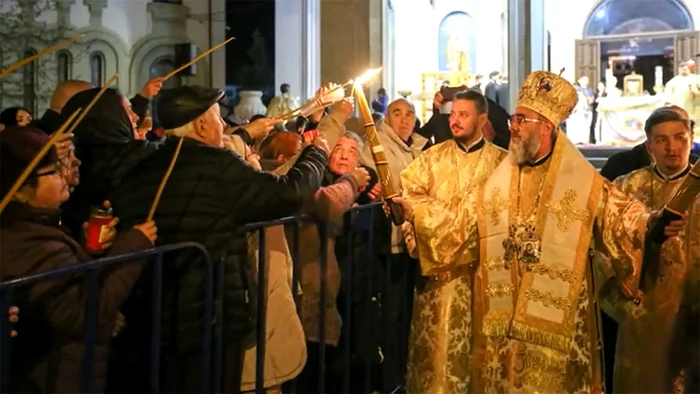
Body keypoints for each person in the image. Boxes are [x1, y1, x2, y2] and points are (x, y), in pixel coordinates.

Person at [391, 70, 686, 392]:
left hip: (555, 326)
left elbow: (619, 214)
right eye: (513, 121)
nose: (512, 128)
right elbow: (460, 217)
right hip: (503, 322)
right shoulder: (501, 177)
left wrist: (650, 223)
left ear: (545, 126)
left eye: (520, 120)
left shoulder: (578, 178)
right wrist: (415, 211)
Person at [108, 85, 330, 393]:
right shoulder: (216, 166)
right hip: (209, 320)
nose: (223, 125)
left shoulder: (142, 168)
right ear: (200, 125)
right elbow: (286, 194)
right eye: (216, 117)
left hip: (151, 319)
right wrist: (317, 154)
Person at [0, 125, 157, 393]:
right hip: (55, 376)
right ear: (19, 191)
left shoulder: (37, 227)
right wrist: (132, 247)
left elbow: (63, 284)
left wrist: (88, 251)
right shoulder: (27, 240)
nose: (63, 175)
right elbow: (86, 311)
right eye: (51, 171)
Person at [399, 89, 507, 393]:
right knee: (438, 355)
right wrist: (423, 231)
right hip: (440, 280)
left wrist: (436, 218)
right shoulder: (431, 158)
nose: (455, 121)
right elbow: (409, 201)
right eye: (453, 114)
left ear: (482, 119)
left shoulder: (504, 163)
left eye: (463, 115)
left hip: (484, 276)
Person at [607, 108, 696, 393]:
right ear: (649, 147)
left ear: (691, 139)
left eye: (680, 138)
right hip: (643, 312)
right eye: (661, 140)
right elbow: (602, 243)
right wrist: (619, 271)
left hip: (694, 311)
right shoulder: (625, 188)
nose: (672, 147)